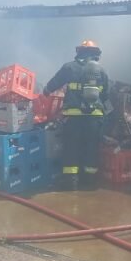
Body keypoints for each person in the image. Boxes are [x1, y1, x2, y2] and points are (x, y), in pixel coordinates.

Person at [44, 40, 109, 191]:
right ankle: (89, 180)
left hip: (73, 117)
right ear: (95, 53)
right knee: (91, 147)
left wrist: (46, 91)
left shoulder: (69, 67)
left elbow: (54, 83)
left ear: (79, 51)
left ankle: (71, 181)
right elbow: (106, 93)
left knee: (71, 147)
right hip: (94, 116)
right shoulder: (102, 70)